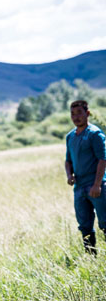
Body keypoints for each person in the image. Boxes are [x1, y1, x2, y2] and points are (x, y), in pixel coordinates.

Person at [65, 100, 106, 254]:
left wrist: (97, 185)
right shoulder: (70, 137)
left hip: (96, 185)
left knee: (105, 222)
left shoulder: (95, 134)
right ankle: (91, 259)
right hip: (79, 187)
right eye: (72, 114)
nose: (76, 117)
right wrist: (69, 175)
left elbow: (103, 160)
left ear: (87, 114)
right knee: (84, 225)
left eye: (79, 113)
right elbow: (68, 161)